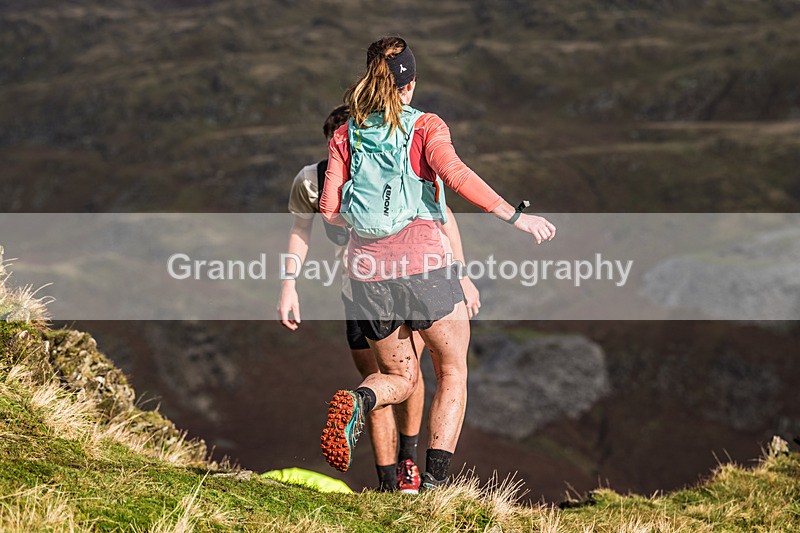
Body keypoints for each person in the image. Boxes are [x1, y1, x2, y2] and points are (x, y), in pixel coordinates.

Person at [319, 37, 555, 490]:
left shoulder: (344, 134)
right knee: (451, 371)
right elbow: (457, 176)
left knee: (399, 377)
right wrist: (516, 217)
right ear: (409, 84)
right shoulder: (426, 126)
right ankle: (434, 486)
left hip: (366, 276)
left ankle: (360, 398)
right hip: (425, 269)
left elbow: (329, 210)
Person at [278, 105, 480, 493]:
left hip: (368, 288)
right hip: (382, 287)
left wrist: (463, 273)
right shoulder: (312, 180)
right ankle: (395, 479)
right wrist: (289, 283)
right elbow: (299, 230)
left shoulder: (388, 169)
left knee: (396, 377)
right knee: (406, 376)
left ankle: (403, 466)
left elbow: (443, 216)